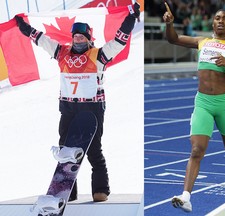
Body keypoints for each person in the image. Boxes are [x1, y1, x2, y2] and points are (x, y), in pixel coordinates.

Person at [15, 2, 140, 202]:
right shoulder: (61, 53)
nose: (78, 39)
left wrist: (130, 18)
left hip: (91, 108)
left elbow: (119, 41)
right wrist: (24, 27)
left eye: (82, 37)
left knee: (93, 149)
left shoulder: (99, 55)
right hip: (68, 107)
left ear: (88, 38)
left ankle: (101, 189)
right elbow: (42, 40)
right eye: (75, 37)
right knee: (65, 150)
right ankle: (68, 191)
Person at [163, 2, 225, 213]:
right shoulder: (201, 42)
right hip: (203, 102)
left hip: (223, 103)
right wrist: (169, 24)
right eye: (217, 18)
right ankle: (186, 197)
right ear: (212, 22)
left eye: (224, 18)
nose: (220, 21)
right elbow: (173, 39)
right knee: (197, 150)